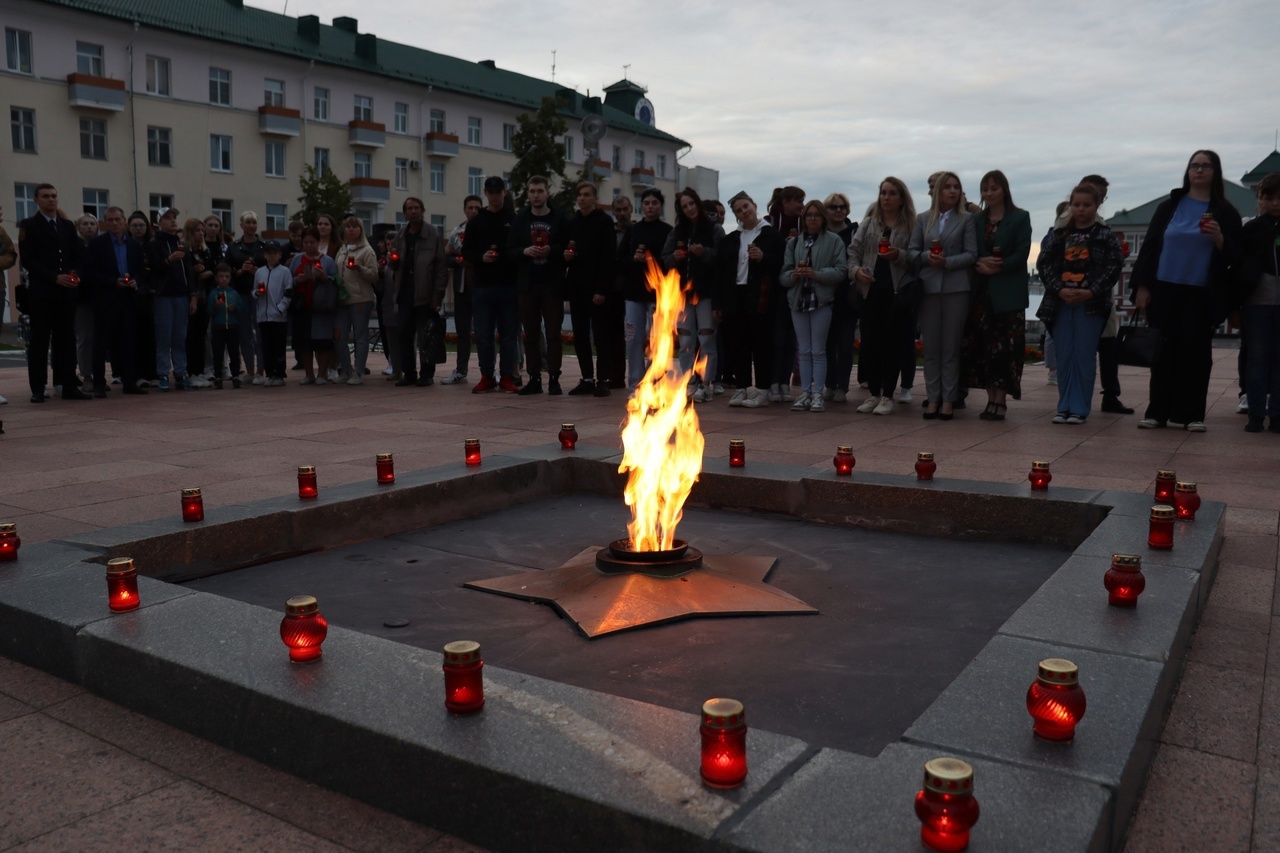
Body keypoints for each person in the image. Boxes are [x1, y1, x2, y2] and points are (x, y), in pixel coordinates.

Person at [1132, 150, 1245, 431]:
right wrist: (1143, 286)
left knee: (1195, 354)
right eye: (1194, 165)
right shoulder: (1170, 206)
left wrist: (1219, 238)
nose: (1199, 170)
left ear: (1215, 172)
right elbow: (1149, 247)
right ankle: (1157, 412)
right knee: (1162, 352)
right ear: (1188, 171)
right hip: (1164, 288)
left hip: (1201, 292)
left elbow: (1238, 257)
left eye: (1205, 166)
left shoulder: (1226, 211)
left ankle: (1191, 414)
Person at [1037, 184, 1124, 424]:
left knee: (1084, 355)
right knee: (1064, 356)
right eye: (1077, 205)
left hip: (1091, 305)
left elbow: (1114, 266)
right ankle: (1063, 405)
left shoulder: (1105, 234)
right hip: (1061, 302)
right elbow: (1044, 264)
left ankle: (1079, 408)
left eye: (1087, 205)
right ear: (1070, 206)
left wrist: (1091, 291)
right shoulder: (1058, 235)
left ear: (1096, 206)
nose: (1081, 209)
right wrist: (1059, 289)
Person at [962, 170, 1032, 421]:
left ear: (1004, 190)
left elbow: (1022, 252)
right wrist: (980, 262)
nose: (989, 193)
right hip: (982, 293)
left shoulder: (1020, 217)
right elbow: (971, 250)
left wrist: (998, 266)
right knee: (984, 347)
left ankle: (1000, 401)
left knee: (1005, 348)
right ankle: (990, 397)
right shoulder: (977, 220)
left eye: (993, 188)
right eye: (985, 189)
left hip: (1008, 293)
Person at [907, 171, 976, 420]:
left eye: (956, 187)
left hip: (956, 288)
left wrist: (947, 262)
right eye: (947, 187)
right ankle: (932, 398)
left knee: (950, 348)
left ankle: (948, 400)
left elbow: (971, 254)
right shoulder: (923, 219)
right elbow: (911, 252)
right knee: (932, 348)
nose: (952, 191)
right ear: (938, 191)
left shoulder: (966, 219)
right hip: (928, 288)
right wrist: (927, 257)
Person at [849, 177, 918, 416]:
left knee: (892, 345)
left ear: (901, 198)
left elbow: (917, 258)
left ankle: (888, 395)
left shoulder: (910, 225)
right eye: (883, 193)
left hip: (897, 292)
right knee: (869, 344)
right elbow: (852, 253)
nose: (886, 198)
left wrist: (898, 255)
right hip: (870, 290)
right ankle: (873, 393)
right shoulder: (869, 223)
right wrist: (856, 271)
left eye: (891, 193)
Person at [716, 191, 785, 408]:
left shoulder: (771, 235)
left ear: (754, 205)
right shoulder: (731, 239)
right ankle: (741, 388)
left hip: (761, 295)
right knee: (738, 344)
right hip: (735, 295)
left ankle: (763, 389)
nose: (744, 212)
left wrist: (764, 258)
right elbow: (720, 274)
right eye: (739, 210)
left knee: (762, 344)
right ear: (736, 216)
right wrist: (719, 303)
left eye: (746, 206)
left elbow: (781, 265)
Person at [19, 184, 88, 402]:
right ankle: (38, 388)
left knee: (66, 340)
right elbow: (28, 260)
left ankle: (67, 384)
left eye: (54, 196)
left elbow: (77, 254)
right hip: (43, 293)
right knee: (40, 341)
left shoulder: (66, 226)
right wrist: (54, 277)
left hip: (66, 293)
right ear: (36, 200)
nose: (51, 200)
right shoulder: (29, 225)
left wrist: (74, 273)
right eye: (46, 196)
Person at [780, 200, 848, 412]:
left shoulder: (834, 241)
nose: (812, 218)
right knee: (804, 350)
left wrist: (816, 274)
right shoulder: (794, 243)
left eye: (816, 215)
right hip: (798, 300)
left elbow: (841, 271)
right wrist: (794, 276)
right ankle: (805, 393)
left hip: (820, 301)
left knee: (818, 350)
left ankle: (818, 393)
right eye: (808, 215)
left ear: (822, 218)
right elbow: (783, 275)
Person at [662, 187, 722, 402]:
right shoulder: (677, 232)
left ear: (698, 203)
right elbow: (665, 258)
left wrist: (703, 253)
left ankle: (707, 383)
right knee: (686, 340)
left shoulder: (714, 229)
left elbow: (722, 259)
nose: (689, 209)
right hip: (682, 293)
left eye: (692, 204)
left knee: (706, 339)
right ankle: (688, 380)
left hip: (706, 292)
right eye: (685, 206)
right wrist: (675, 257)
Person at [509, 176, 567, 395]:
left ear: (547, 193)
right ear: (527, 193)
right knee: (530, 333)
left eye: (540, 191)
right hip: (527, 284)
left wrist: (552, 250)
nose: (536, 195)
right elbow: (510, 249)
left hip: (552, 284)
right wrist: (524, 251)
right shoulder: (521, 218)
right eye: (532, 191)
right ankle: (534, 378)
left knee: (553, 334)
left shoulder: (559, 217)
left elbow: (567, 245)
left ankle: (554, 378)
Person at [83, 206, 146, 397]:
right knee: (101, 344)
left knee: (128, 342)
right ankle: (99, 384)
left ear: (124, 221)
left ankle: (129, 382)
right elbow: (90, 272)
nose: (113, 223)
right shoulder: (97, 244)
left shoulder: (134, 245)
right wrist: (113, 282)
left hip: (128, 299)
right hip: (106, 298)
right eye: (109, 220)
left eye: (117, 220)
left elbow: (141, 271)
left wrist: (136, 280)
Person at [464, 177, 519, 393]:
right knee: (484, 336)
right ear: (486, 193)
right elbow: (466, 251)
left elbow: (519, 249)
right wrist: (481, 257)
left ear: (504, 193)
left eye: (498, 191)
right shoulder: (477, 221)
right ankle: (487, 375)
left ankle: (507, 376)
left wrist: (504, 257)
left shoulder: (514, 219)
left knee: (508, 335)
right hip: (483, 286)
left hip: (508, 285)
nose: (495, 195)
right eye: (491, 191)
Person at [563, 182, 618, 396]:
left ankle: (603, 379)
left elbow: (608, 257)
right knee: (580, 335)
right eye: (579, 195)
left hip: (598, 289)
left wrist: (602, 290)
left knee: (601, 335)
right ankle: (587, 378)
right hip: (577, 287)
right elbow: (567, 248)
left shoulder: (604, 222)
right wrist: (566, 257)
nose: (582, 198)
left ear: (595, 198)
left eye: (586, 195)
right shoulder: (573, 222)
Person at [390, 197, 448, 387]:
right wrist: (393, 262)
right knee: (404, 334)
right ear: (405, 213)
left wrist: (438, 295)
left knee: (427, 336)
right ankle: (409, 373)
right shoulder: (401, 235)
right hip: (405, 292)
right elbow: (395, 264)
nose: (413, 211)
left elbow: (441, 266)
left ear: (422, 210)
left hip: (426, 292)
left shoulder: (432, 233)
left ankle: (427, 374)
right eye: (409, 208)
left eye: (416, 208)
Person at [619, 188, 673, 391]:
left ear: (661, 206)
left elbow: (671, 261)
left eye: (655, 203)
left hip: (658, 293)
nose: (651, 207)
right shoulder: (633, 230)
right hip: (634, 293)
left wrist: (653, 261)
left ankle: (656, 383)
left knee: (658, 340)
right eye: (647, 203)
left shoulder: (668, 230)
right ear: (642, 206)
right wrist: (634, 259)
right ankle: (635, 385)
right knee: (633, 339)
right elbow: (620, 260)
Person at [1238, 172, 1280, 433]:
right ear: (1261, 199)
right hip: (1257, 302)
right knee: (1258, 359)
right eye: (1270, 198)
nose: (1276, 203)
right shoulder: (1252, 229)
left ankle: (1276, 415)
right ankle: (1255, 414)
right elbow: (1240, 268)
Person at [146, 207, 198, 391]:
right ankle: (162, 374)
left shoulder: (181, 244)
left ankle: (180, 373)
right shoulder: (154, 243)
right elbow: (154, 269)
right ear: (159, 223)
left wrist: (193, 296)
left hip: (181, 296)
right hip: (163, 295)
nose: (172, 221)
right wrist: (169, 260)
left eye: (174, 217)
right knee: (164, 337)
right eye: (167, 218)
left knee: (179, 337)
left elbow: (189, 273)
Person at [289, 226, 340, 385]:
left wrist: (324, 277)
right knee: (304, 342)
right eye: (306, 242)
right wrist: (298, 280)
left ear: (318, 242)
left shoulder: (327, 261)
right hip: (302, 305)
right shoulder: (297, 259)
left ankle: (322, 373)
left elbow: (337, 282)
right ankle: (309, 373)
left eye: (312, 242)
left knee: (322, 341)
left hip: (321, 306)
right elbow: (288, 280)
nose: (309, 245)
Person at [441, 195, 482, 385]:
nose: (474, 211)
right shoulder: (457, 232)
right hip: (461, 288)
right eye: (470, 207)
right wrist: (457, 260)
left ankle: (488, 371)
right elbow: (447, 256)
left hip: (481, 286)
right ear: (464, 209)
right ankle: (460, 370)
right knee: (462, 332)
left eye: (477, 208)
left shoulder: (485, 228)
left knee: (484, 331)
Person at [334, 216, 379, 385]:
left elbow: (374, 275)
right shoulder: (343, 249)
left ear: (360, 230)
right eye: (347, 227)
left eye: (354, 227)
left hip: (360, 298)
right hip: (342, 298)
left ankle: (358, 371)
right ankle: (345, 369)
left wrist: (360, 269)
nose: (351, 229)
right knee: (339, 335)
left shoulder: (367, 250)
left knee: (360, 335)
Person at [822, 192, 858, 403]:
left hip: (847, 295)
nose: (838, 210)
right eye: (833, 207)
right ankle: (829, 384)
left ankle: (842, 387)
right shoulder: (821, 234)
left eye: (842, 207)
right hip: (825, 294)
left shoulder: (854, 232)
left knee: (845, 344)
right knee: (826, 344)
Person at [225, 212, 267, 384]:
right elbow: (225, 271)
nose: (251, 225)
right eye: (247, 222)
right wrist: (239, 271)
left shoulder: (264, 247)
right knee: (245, 334)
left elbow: (271, 267)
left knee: (260, 333)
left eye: (254, 222)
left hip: (259, 293)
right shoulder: (234, 247)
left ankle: (260, 371)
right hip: (241, 293)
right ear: (241, 225)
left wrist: (258, 272)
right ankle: (249, 369)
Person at [253, 240, 293, 386]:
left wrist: (280, 308)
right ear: (264, 255)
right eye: (268, 253)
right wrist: (256, 293)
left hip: (278, 317)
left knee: (278, 346)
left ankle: (279, 373)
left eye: (274, 253)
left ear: (280, 254)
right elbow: (253, 290)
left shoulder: (284, 272)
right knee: (266, 346)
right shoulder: (259, 272)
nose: (271, 256)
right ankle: (270, 373)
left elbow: (288, 292)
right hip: (263, 316)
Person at [182, 218, 215, 388]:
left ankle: (200, 371)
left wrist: (208, 272)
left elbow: (213, 269)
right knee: (191, 336)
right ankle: (191, 371)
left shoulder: (205, 252)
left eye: (202, 230)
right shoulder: (185, 252)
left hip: (204, 298)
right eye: (197, 230)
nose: (201, 233)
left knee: (201, 336)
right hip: (191, 299)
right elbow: (185, 275)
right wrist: (196, 273)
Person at [207, 263, 245, 389]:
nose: (224, 279)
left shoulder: (234, 293)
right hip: (218, 326)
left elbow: (241, 308)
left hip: (233, 326)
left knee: (234, 352)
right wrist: (215, 306)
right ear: (216, 278)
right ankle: (218, 376)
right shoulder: (213, 293)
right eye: (221, 276)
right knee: (218, 353)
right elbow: (209, 311)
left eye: (227, 276)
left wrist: (234, 308)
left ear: (230, 278)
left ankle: (235, 375)